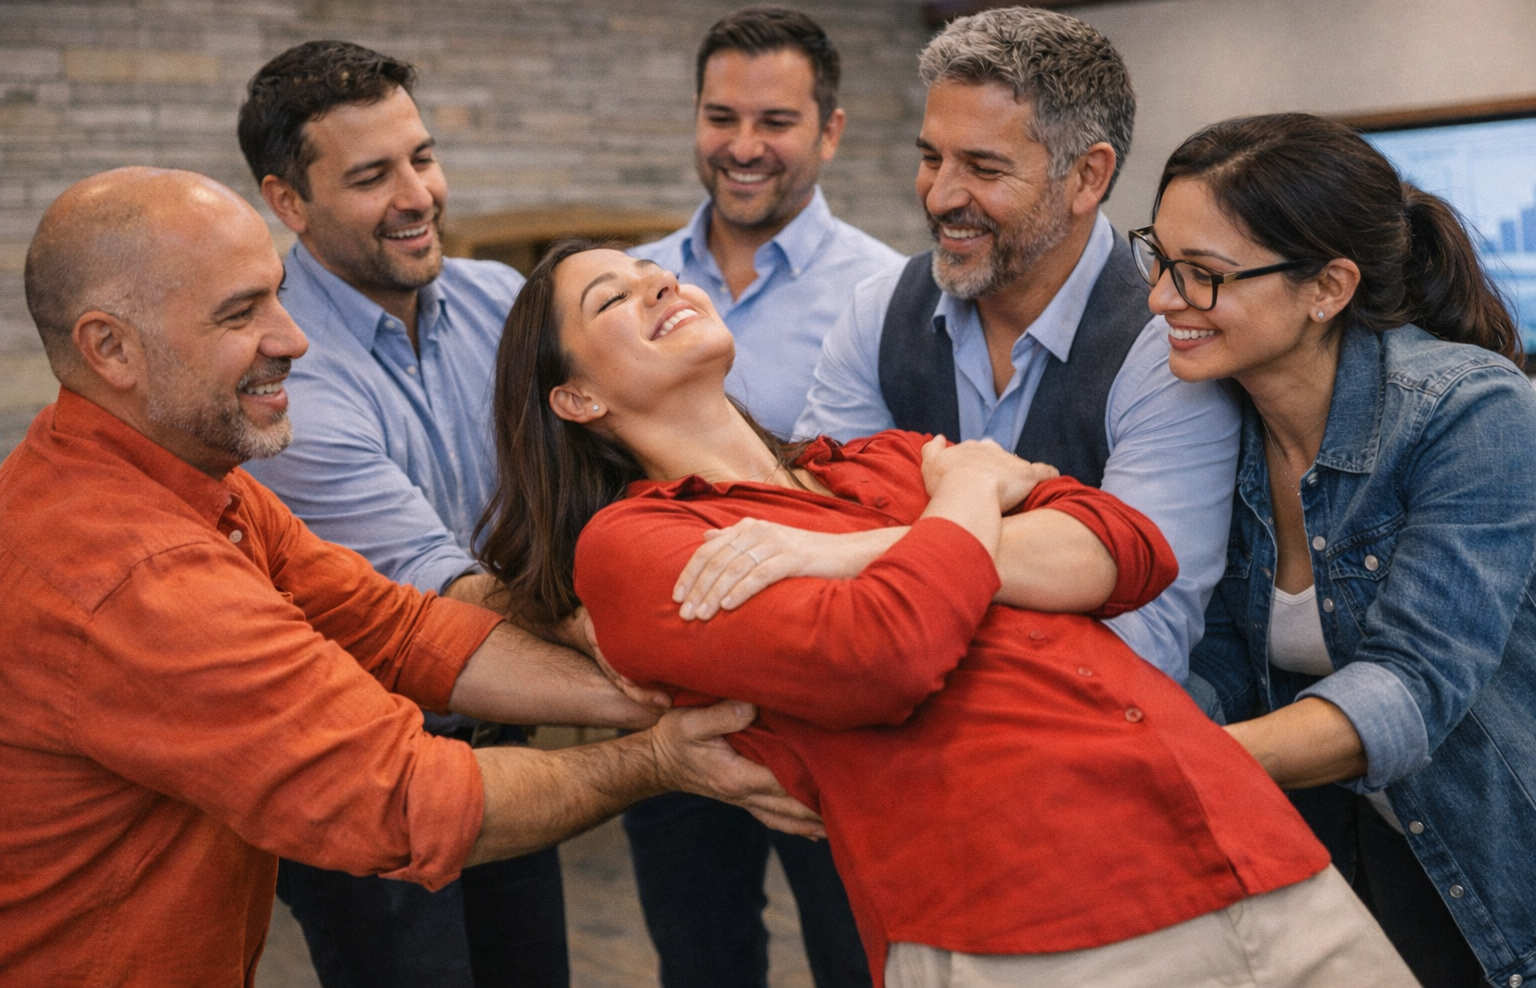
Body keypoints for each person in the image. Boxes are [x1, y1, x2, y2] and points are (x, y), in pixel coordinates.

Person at [476, 239, 1420, 988]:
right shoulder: (636, 546)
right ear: (577, 397)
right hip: (1027, 910)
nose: (659, 285)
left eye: (655, 273)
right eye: (611, 298)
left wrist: (865, 549)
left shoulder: (875, 462)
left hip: (1242, 838)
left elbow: (1127, 550)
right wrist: (969, 490)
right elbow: (882, 652)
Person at [0, 168, 821, 988]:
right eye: (240, 314)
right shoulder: (133, 572)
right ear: (110, 349)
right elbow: (399, 796)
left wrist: (656, 696)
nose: (294, 339)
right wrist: (658, 760)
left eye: (277, 296)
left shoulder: (200, 483)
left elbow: (397, 627)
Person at [1140, 113, 1536, 988]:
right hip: (1360, 850)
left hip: (1506, 850)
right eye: (1159, 260)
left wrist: (1181, 765)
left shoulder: (1470, 411)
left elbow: (1414, 683)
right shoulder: (1222, 425)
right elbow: (1226, 657)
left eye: (1203, 274)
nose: (1162, 299)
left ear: (1327, 287)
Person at [234, 40, 570, 988]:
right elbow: (440, 595)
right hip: (360, 776)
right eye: (371, 176)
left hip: (506, 746)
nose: (418, 195)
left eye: (421, 158)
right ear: (288, 201)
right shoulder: (280, 371)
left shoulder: (505, 304)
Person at [795, 6, 1239, 690]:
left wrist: (907, 607)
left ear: (1087, 177)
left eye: (983, 167)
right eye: (930, 158)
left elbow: (1145, 639)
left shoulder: (1167, 350)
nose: (940, 196)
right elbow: (812, 550)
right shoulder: (877, 312)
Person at [622, 7, 901, 988]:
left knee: (855, 958)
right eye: (721, 117)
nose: (743, 147)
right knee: (699, 958)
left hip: (834, 711)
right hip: (673, 699)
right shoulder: (635, 290)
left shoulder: (887, 295)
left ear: (830, 130)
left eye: (776, 121)